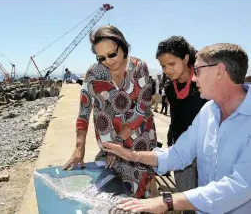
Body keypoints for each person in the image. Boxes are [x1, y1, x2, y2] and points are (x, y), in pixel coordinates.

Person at [101, 43, 251, 214]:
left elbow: (239, 186)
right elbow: (179, 154)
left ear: (219, 71)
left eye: (198, 71)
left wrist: (166, 202)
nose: (194, 78)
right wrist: (133, 155)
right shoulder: (209, 111)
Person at [63, 25, 158, 199]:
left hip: (138, 141)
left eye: (112, 54)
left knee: (138, 191)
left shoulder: (139, 68)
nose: (107, 61)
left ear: (123, 47)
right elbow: (84, 110)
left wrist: (119, 141)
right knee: (113, 192)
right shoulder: (94, 72)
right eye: (101, 57)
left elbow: (141, 110)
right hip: (109, 145)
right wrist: (79, 147)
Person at [156, 36, 208, 210]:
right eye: (163, 66)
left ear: (186, 58)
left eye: (171, 64)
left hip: (205, 149)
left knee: (206, 197)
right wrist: (172, 141)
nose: (167, 70)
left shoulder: (203, 83)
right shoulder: (170, 88)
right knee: (185, 198)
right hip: (181, 150)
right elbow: (175, 117)